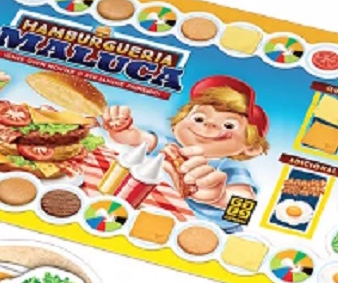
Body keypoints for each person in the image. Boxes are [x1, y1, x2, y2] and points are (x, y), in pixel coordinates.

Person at [102, 75, 269, 229]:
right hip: (165, 218)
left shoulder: (229, 165)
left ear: (251, 147)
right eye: (199, 118)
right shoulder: (174, 148)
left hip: (213, 232)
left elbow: (245, 209)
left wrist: (221, 197)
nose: (209, 124)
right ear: (177, 123)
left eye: (229, 125)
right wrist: (120, 129)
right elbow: (136, 138)